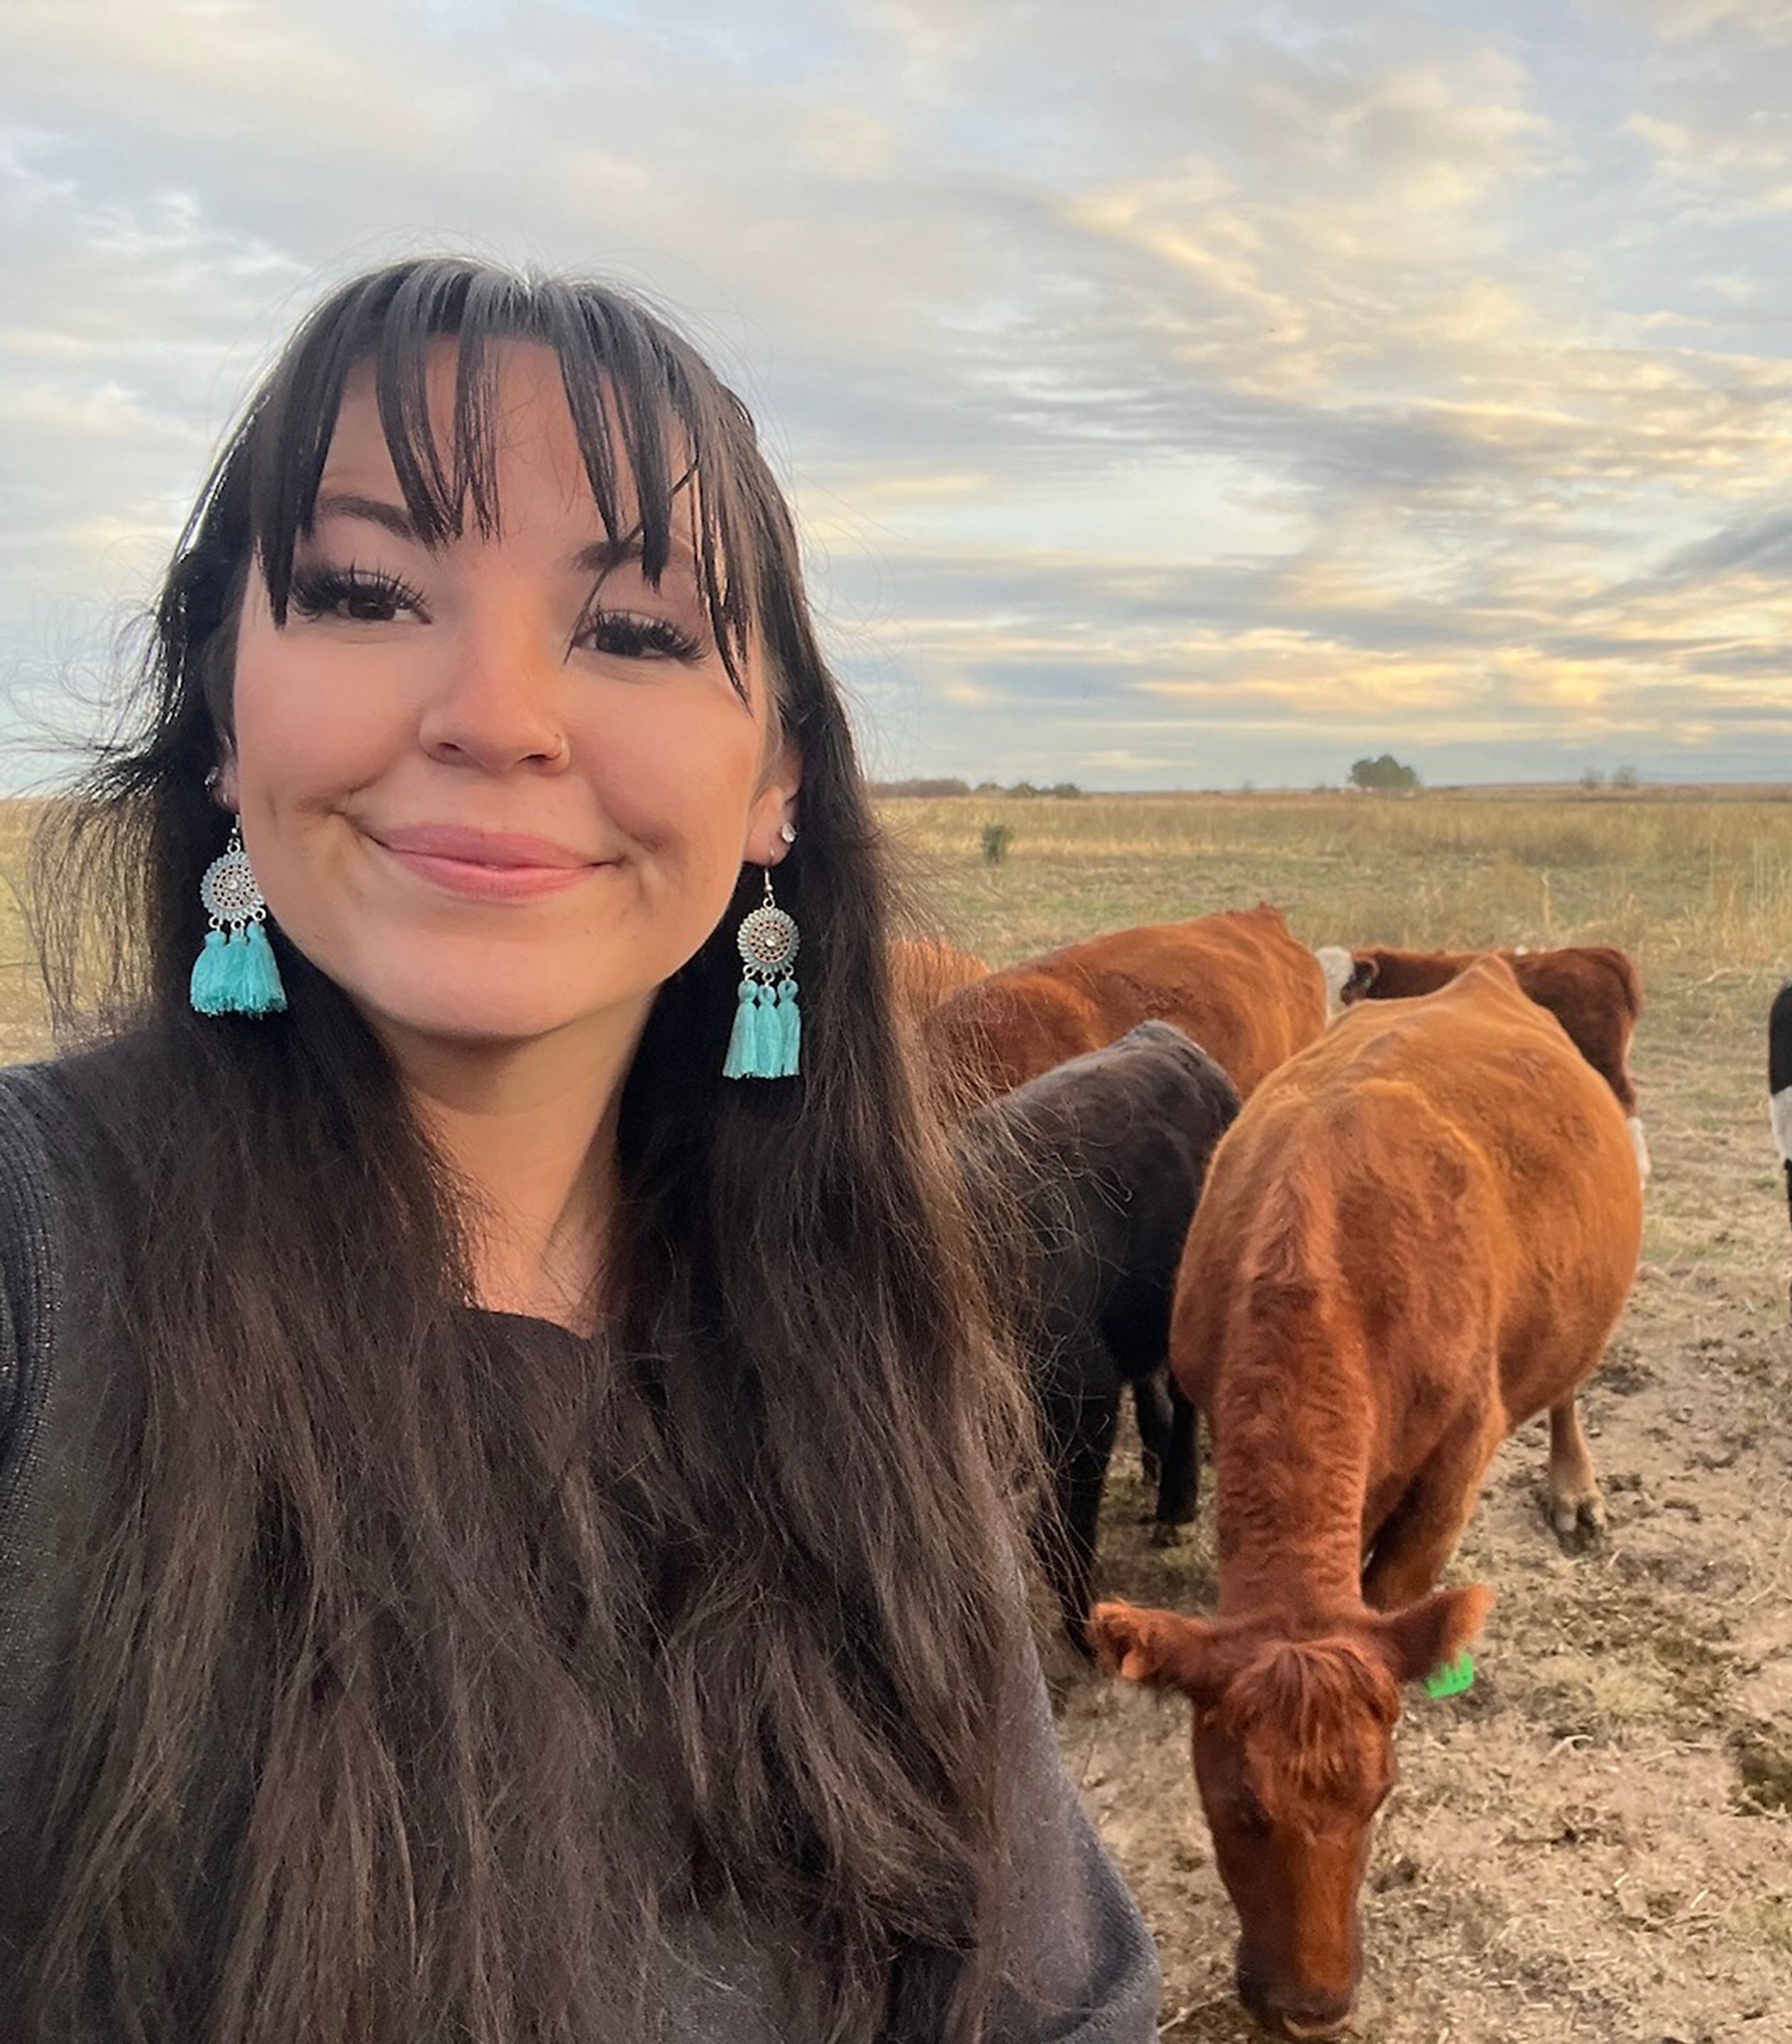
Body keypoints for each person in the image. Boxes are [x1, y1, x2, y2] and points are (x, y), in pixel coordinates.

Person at [0, 258, 1158, 2044]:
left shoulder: (858, 1344)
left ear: (776, 780)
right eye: (369, 590)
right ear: (224, 709)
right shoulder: (38, 1282)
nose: (501, 713)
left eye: (631, 630)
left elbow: (1056, 1999)